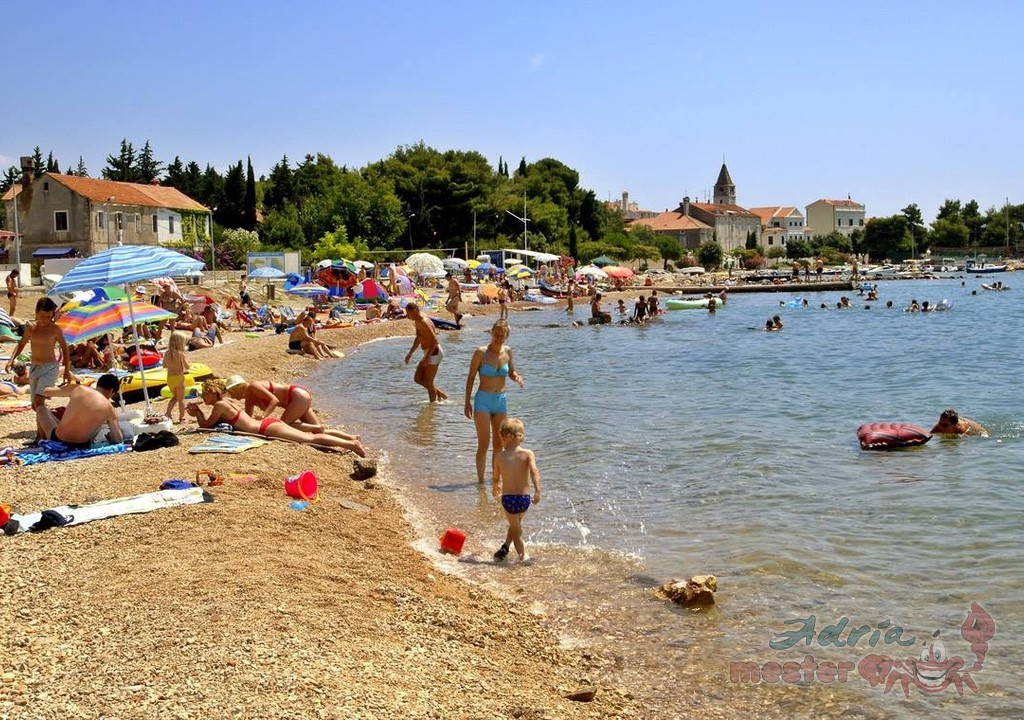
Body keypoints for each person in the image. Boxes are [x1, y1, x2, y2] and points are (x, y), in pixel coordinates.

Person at [187, 378, 366, 456]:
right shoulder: (229, 402)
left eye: (205, 394)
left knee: (308, 439)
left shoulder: (220, 405)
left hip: (265, 428)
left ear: (212, 393)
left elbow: (207, 427)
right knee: (311, 433)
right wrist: (200, 413)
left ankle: (351, 444)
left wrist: (198, 413)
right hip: (267, 424)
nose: (203, 398)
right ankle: (349, 441)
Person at [464, 320, 525, 484]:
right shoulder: (480, 353)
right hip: (483, 400)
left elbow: (511, 372)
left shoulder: (508, 352)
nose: (498, 338)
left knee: (500, 444)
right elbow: (470, 378)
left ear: (506, 336)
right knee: (484, 444)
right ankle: (481, 483)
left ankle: (495, 481)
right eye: (496, 334)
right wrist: (467, 402)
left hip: (501, 401)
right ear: (491, 333)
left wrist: (517, 377)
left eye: (502, 335)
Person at [4, 297, 74, 440]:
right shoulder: (30, 326)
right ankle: (49, 429)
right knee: (35, 405)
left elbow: (65, 349)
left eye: (48, 317)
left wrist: (66, 370)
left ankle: (42, 436)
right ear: (36, 313)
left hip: (50, 368)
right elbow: (21, 344)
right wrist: (11, 360)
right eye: (42, 316)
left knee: (39, 402)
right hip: (34, 368)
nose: (45, 320)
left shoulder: (55, 329)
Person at [224, 374, 359, 440]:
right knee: (319, 433)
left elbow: (274, 400)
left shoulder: (253, 386)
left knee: (284, 425)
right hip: (297, 399)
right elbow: (248, 419)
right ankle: (351, 437)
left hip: (297, 396)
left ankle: (316, 427)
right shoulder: (249, 399)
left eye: (233, 393)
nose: (233, 397)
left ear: (238, 388)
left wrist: (264, 416)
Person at [491, 417, 541, 563]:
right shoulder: (528, 454)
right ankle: (505, 547)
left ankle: (522, 558)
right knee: (516, 526)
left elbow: (495, 477)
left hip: (509, 500)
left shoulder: (499, 456)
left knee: (516, 530)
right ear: (521, 436)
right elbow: (534, 471)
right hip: (524, 499)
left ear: (503, 436)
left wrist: (495, 487)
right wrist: (538, 490)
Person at [36, 373, 123, 448]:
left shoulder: (78, 389)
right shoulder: (110, 409)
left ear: (98, 384)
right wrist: (110, 437)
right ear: (112, 391)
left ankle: (41, 440)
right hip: (82, 445)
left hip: (59, 439)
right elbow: (118, 439)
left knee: (41, 408)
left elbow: (46, 391)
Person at [403, 302, 447, 402]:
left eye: (408, 313)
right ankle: (440, 394)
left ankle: (432, 407)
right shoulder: (417, 320)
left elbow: (435, 340)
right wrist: (410, 353)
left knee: (428, 381)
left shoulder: (424, 321)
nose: (407, 316)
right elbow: (418, 338)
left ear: (414, 311)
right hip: (428, 352)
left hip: (434, 352)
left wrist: (427, 357)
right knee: (418, 378)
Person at [163, 331, 190, 424]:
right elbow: (187, 367)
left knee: (174, 397)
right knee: (181, 399)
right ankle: (182, 417)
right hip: (179, 378)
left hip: (170, 379)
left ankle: (168, 413)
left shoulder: (166, 353)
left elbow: (164, 366)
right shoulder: (180, 353)